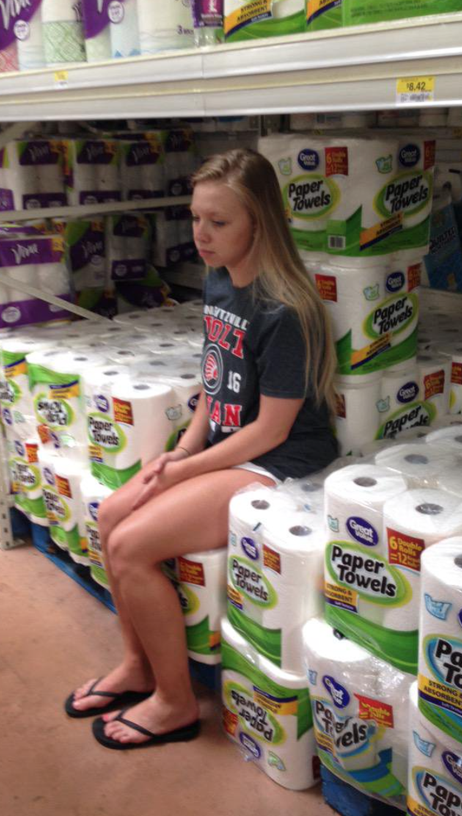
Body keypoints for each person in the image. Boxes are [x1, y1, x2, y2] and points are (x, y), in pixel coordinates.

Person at [64, 148, 339, 750]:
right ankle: (137, 665)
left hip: (280, 461)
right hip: (229, 444)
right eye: (196, 218)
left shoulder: (285, 310)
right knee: (109, 514)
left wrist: (187, 467)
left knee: (132, 546)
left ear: (259, 223)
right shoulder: (221, 281)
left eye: (219, 222)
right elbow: (218, 379)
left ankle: (175, 702)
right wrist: (183, 447)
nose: (201, 235)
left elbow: (270, 431)